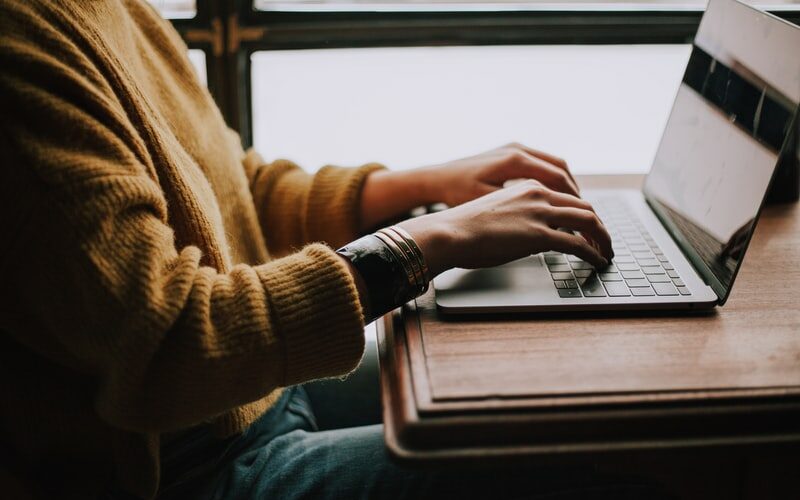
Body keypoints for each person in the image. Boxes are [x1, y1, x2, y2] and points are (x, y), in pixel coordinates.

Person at [0, 1, 657, 499]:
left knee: (562, 393)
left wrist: (426, 187)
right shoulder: (20, 49)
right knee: (578, 463)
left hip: (256, 393)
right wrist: (430, 240)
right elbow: (169, 345)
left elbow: (233, 189)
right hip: (184, 466)